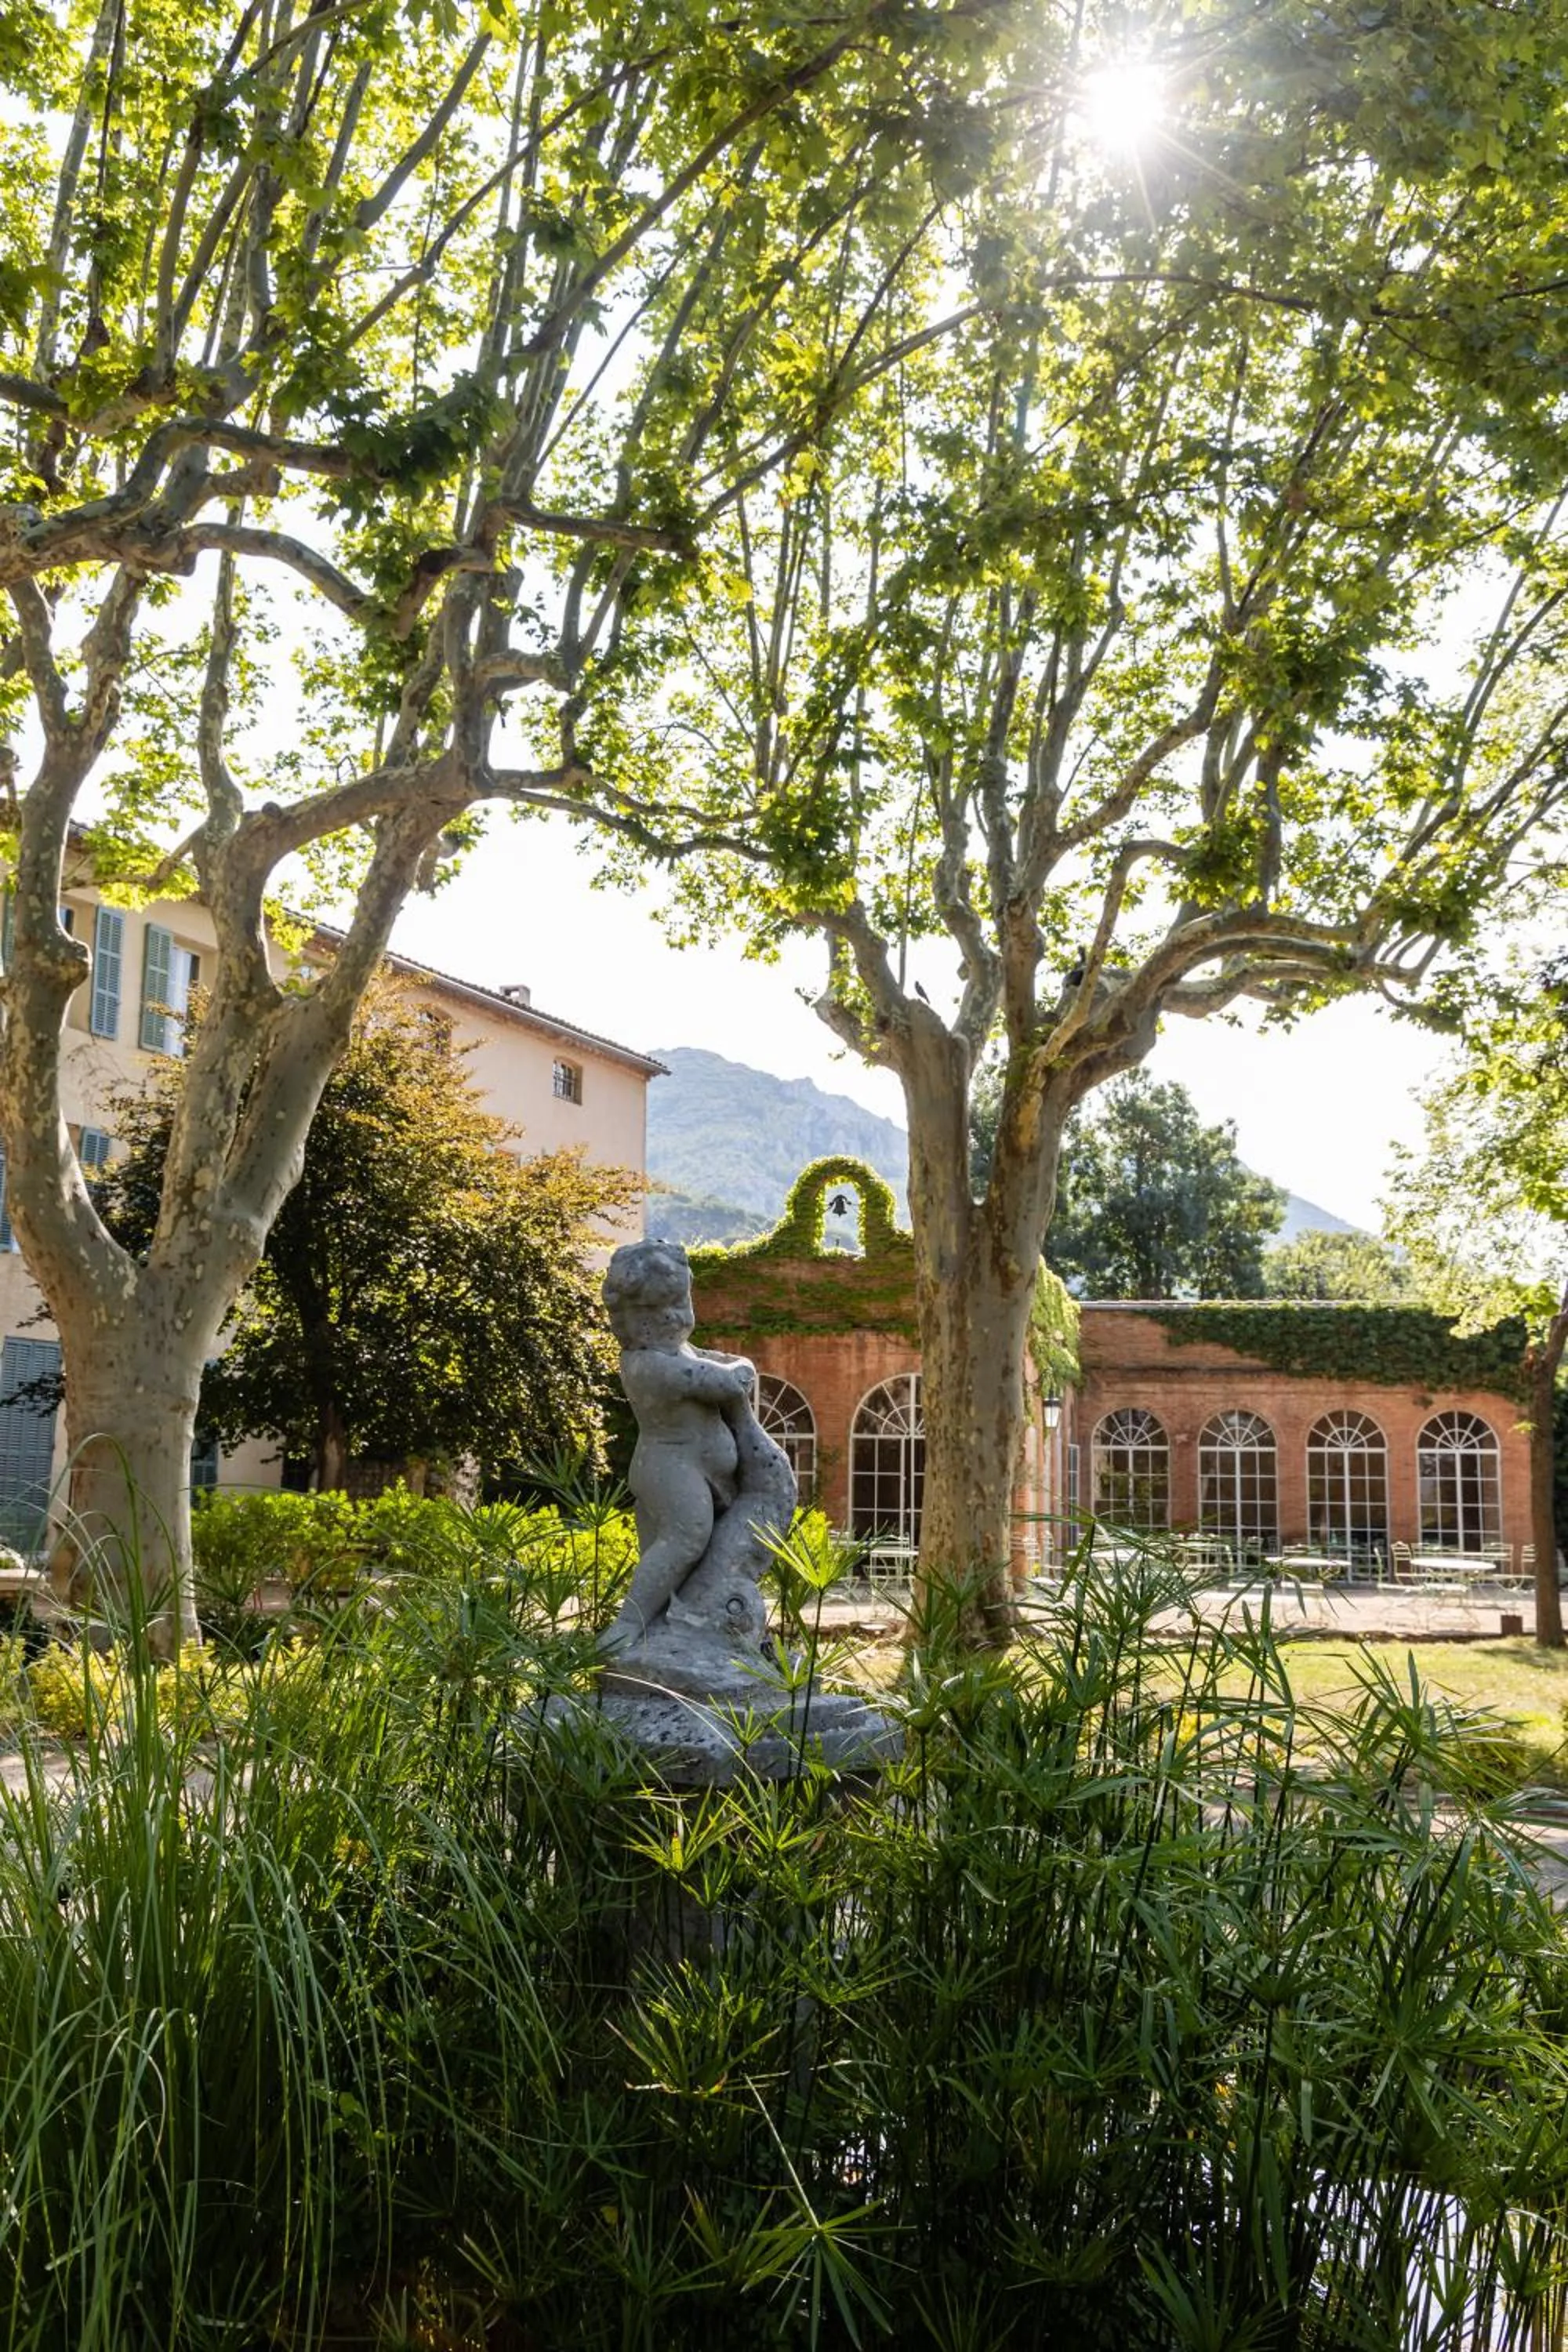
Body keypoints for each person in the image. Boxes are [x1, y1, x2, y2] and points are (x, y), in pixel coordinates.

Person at [598, 1241, 756, 1651]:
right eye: (653, 1311)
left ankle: (672, 1624)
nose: (671, 1317)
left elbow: (705, 1361)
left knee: (674, 1553)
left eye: (679, 1302)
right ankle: (628, 1624)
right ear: (626, 1319)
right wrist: (743, 1368)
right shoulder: (647, 1365)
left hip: (696, 1468)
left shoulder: (678, 1350)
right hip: (669, 1470)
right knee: (687, 1537)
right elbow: (723, 1382)